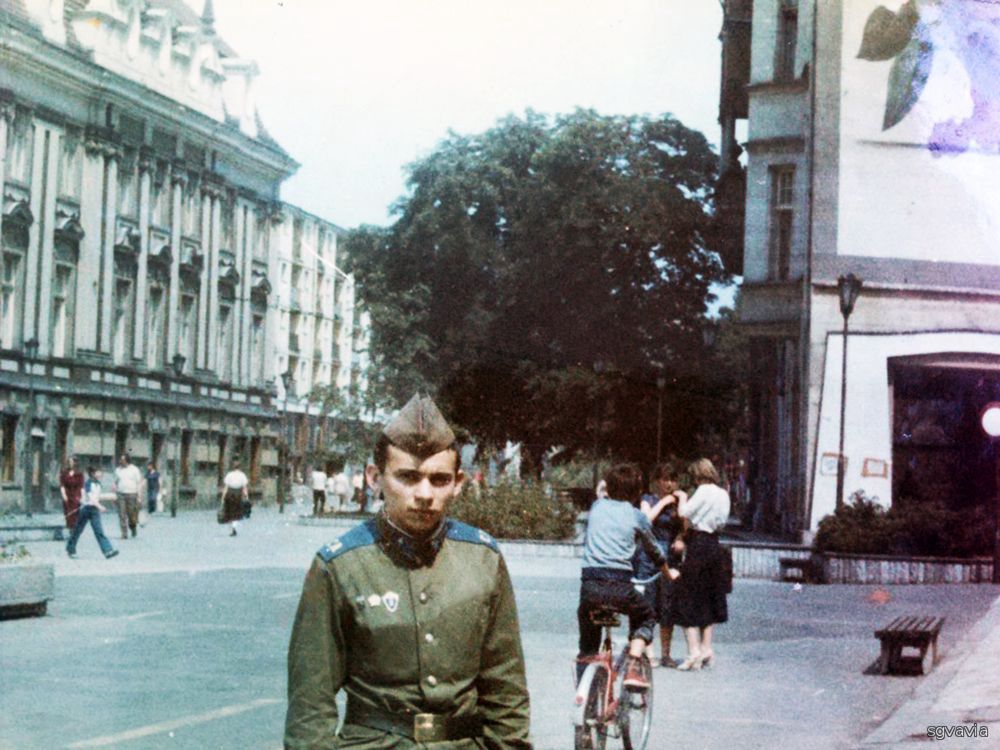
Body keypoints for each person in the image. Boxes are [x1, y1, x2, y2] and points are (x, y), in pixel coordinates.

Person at [285, 394, 533, 749]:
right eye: (408, 477)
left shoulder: (483, 559)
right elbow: (310, 703)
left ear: (458, 483)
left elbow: (506, 690)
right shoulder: (340, 566)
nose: (424, 493)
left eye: (439, 479)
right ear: (375, 477)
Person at [577, 463, 680, 692]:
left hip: (590, 587)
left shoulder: (597, 506)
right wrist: (668, 573)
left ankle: (584, 702)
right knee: (645, 614)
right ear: (637, 493)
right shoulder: (637, 516)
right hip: (619, 588)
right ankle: (633, 665)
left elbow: (601, 488)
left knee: (587, 649)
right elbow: (656, 553)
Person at [672, 458, 731, 671]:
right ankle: (707, 648)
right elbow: (722, 522)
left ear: (697, 475)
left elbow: (684, 513)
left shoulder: (703, 491)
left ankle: (693, 651)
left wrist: (682, 497)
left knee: (687, 596)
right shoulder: (723, 493)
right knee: (709, 595)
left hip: (698, 544)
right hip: (714, 545)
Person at [635, 463, 687, 668]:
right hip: (649, 555)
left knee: (668, 606)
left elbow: (687, 525)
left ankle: (666, 653)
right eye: (665, 479)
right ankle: (650, 653)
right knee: (647, 604)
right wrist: (664, 501)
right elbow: (646, 520)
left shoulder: (679, 502)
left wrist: (682, 536)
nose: (669, 484)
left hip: (671, 558)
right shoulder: (648, 499)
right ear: (657, 481)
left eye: (672, 479)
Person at [66, 467, 119, 560]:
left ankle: (108, 551)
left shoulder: (98, 484)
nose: (100, 474)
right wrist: (100, 506)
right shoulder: (88, 484)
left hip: (94, 510)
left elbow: (97, 497)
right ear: (92, 474)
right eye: (98, 472)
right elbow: (91, 498)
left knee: (99, 531)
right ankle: (70, 548)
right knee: (78, 530)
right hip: (86, 509)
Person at [113, 454, 142, 539]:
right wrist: (114, 488)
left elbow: (139, 483)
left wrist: (139, 496)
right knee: (121, 514)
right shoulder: (118, 470)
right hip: (121, 494)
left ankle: (133, 527)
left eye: (122, 460)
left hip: (132, 494)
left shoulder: (135, 470)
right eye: (120, 460)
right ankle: (124, 533)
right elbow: (116, 481)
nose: (120, 461)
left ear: (127, 461)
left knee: (131, 515)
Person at [220, 459, 249, 537]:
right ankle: (234, 527)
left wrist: (223, 497)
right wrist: (246, 496)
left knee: (229, 512)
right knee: (237, 513)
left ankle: (232, 529)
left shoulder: (229, 475)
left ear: (233, 467)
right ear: (239, 467)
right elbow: (244, 487)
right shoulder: (242, 475)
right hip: (238, 495)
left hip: (230, 494)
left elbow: (226, 487)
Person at [59, 456, 84, 530]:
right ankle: (69, 527)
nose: (70, 463)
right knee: (67, 512)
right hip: (67, 494)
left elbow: (81, 486)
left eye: (72, 462)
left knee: (74, 512)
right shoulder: (64, 473)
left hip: (76, 495)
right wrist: (63, 495)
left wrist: (82, 497)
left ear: (75, 463)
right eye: (69, 462)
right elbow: (62, 485)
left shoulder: (79, 474)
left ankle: (74, 528)